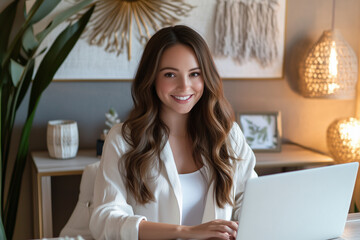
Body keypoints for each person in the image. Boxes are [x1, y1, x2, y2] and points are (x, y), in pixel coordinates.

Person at [89, 25, 257, 240]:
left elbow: (250, 202)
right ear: (151, 78)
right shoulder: (124, 139)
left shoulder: (228, 135)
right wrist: (187, 232)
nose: (184, 86)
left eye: (195, 74)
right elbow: (105, 220)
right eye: (170, 74)